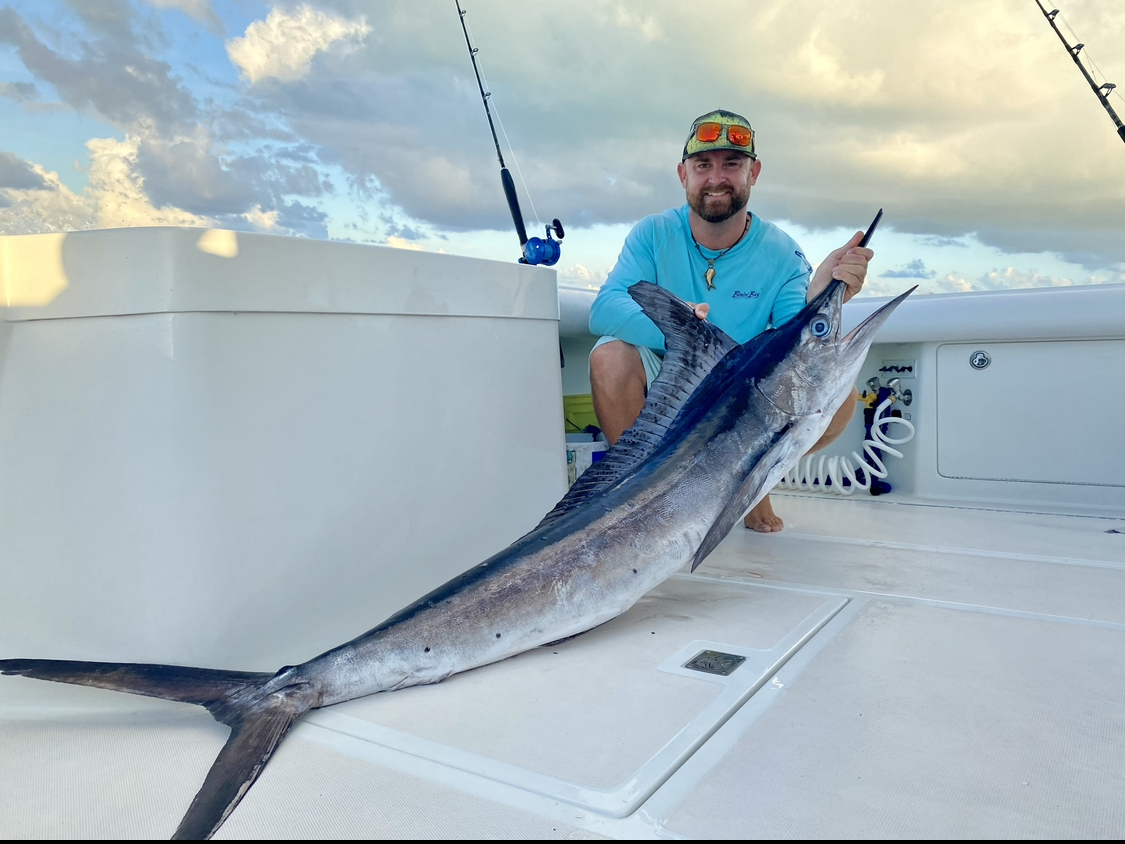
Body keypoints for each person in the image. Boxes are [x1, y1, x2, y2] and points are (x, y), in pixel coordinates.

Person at [588, 109, 873, 533]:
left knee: (840, 399)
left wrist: (820, 298)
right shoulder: (652, 233)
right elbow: (605, 308)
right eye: (703, 165)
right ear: (683, 174)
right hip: (670, 377)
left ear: (753, 173)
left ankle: (753, 484)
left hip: (744, 395)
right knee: (609, 356)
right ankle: (640, 497)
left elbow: (792, 338)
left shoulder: (782, 252)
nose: (716, 177)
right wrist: (681, 328)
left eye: (732, 164)